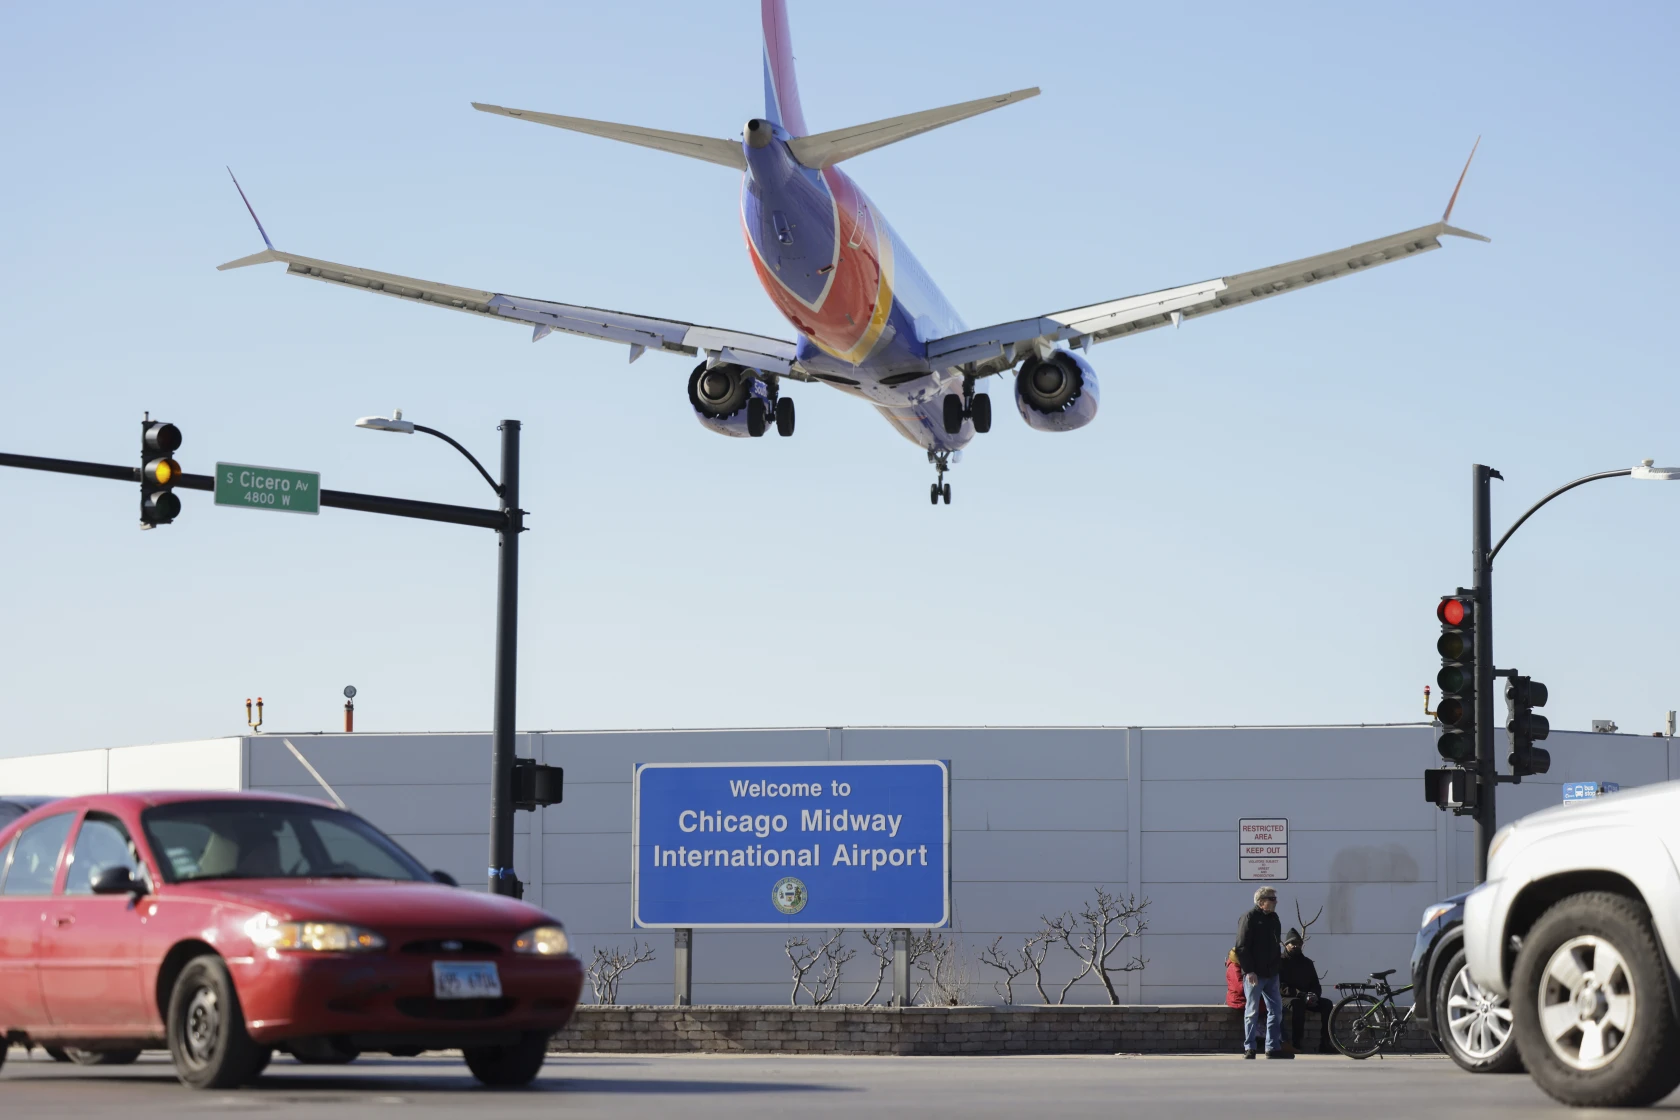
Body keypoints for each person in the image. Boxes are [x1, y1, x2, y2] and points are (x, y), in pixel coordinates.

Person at [1235, 885, 1288, 1058]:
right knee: (1252, 1011)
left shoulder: (1274, 918)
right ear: (1261, 901)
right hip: (1254, 974)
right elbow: (1241, 947)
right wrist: (1249, 970)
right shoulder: (1249, 917)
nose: (1276, 902)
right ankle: (1249, 1048)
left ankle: (1272, 1048)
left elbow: (1275, 944)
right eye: (1272, 899)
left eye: (1275, 898)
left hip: (1271, 973)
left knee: (1276, 1011)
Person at [1279, 928, 1332, 1053]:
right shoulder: (1280, 961)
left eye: (1299, 944)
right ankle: (1297, 1044)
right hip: (1287, 997)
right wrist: (1300, 994)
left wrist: (1314, 995)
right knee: (1298, 1004)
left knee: (1327, 1004)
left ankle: (1325, 1043)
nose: (1296, 946)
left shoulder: (1307, 962)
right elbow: (1280, 986)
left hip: (1307, 997)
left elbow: (1316, 984)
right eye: (1293, 944)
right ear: (1286, 945)